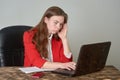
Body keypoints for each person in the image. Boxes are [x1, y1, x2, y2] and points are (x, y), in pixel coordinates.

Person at [23, 6, 76, 70]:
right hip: (34, 74)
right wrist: (61, 65)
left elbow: (67, 63)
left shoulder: (58, 37)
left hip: (53, 73)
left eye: (61, 24)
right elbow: (36, 61)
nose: (58, 27)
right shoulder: (29, 35)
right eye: (55, 23)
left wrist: (64, 39)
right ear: (46, 20)